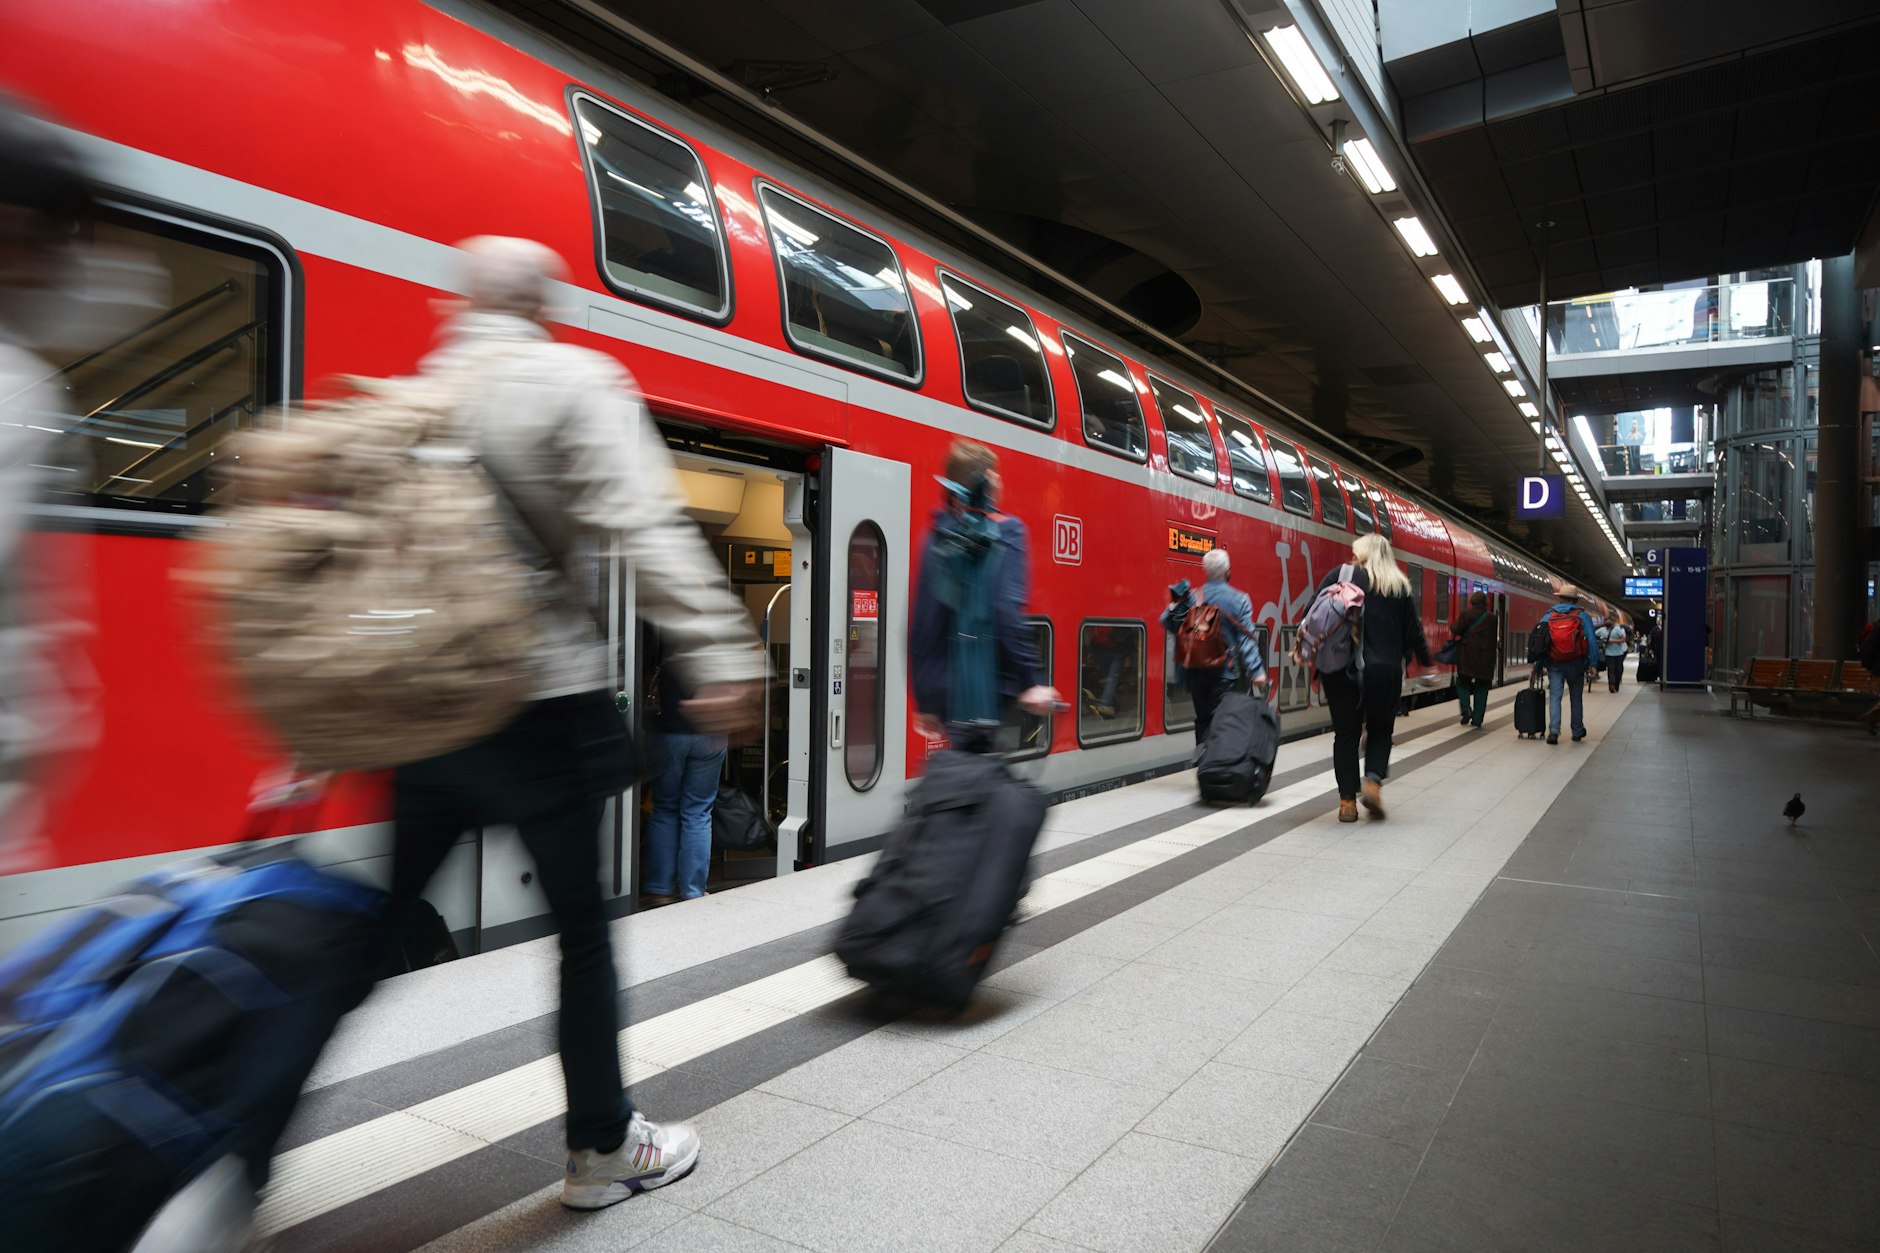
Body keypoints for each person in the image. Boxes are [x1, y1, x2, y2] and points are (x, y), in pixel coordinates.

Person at [352, 238, 767, 1211]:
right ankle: (598, 1147)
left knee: (367, 933)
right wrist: (725, 651)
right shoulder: (574, 377)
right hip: (542, 698)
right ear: (543, 303)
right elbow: (644, 528)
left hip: (429, 705)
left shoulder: (420, 391)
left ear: (462, 301)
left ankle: (229, 1146)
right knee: (582, 933)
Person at [910, 438, 1059, 754]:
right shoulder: (1007, 531)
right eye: (996, 475)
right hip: (987, 694)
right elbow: (1007, 610)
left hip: (945, 695)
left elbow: (922, 622)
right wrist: (1031, 681)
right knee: (986, 787)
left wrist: (925, 698)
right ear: (989, 480)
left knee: (960, 777)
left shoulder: (935, 533)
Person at [1316, 534, 1430, 822]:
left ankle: (1346, 804)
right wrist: (1426, 664)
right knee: (1380, 730)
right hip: (1385, 671)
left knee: (1346, 735)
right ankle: (1373, 782)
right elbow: (1413, 633)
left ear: (1360, 553)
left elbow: (1312, 616)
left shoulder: (1339, 576)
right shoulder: (1398, 586)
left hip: (1342, 670)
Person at [640, 625, 727, 906]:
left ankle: (659, 888)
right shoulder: (718, 630)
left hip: (670, 730)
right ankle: (692, 890)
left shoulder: (660, 628)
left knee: (665, 808)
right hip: (711, 731)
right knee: (698, 811)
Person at [1161, 547, 1267, 744]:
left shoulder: (1193, 597)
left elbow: (1166, 620)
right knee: (1223, 723)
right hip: (1223, 675)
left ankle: (1203, 761)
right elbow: (1246, 640)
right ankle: (1218, 764)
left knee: (1203, 721)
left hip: (1195, 674)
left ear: (1206, 571)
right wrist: (1256, 671)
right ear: (1228, 570)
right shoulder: (1239, 600)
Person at [1539, 585, 1600, 745]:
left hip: (1554, 663)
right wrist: (1593, 663)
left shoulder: (1549, 615)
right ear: (1575, 600)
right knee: (1575, 698)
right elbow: (1592, 641)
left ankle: (1553, 732)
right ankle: (1577, 730)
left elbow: (1540, 640)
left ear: (1560, 598)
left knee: (1555, 697)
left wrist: (1537, 665)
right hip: (1576, 663)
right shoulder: (1582, 616)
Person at [1450, 589, 1497, 729]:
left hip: (1467, 657)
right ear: (1485, 602)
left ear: (1472, 602)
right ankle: (1477, 719)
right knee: (1482, 687)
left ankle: (1466, 710)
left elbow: (1455, 629)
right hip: (1486, 659)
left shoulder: (1466, 615)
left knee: (1462, 682)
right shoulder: (1493, 618)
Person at [1602, 614, 1632, 692]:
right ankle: (1611, 685)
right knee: (1611, 669)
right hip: (1609, 653)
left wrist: (1612, 641)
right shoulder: (1602, 630)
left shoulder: (1618, 629)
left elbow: (1623, 639)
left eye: (1608, 620)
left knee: (1617, 670)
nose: (1606, 621)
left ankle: (1616, 685)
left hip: (1619, 652)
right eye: (1605, 620)